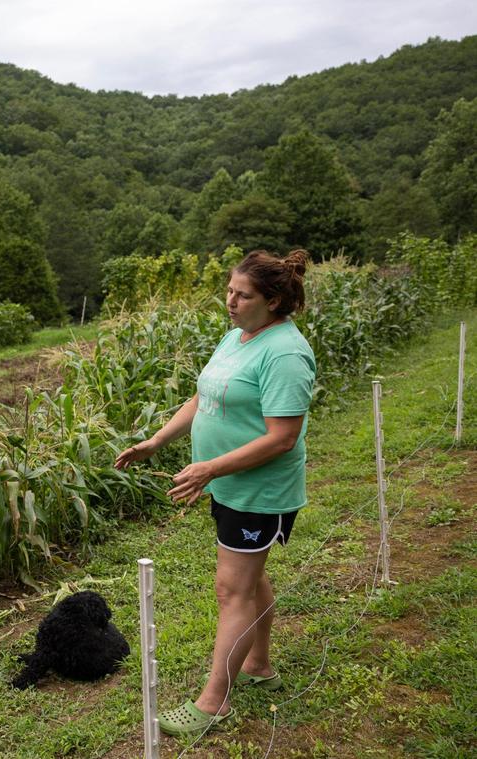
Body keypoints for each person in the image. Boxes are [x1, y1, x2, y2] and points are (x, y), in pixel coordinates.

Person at [114, 249, 315, 737]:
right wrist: (157, 441)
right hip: (227, 483)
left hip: (258, 489)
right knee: (248, 578)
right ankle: (259, 666)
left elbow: (281, 436)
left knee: (232, 588)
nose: (230, 300)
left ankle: (214, 701)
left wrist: (209, 468)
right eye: (229, 290)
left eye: (242, 295)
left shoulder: (285, 352)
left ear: (273, 301)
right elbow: (204, 396)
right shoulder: (237, 337)